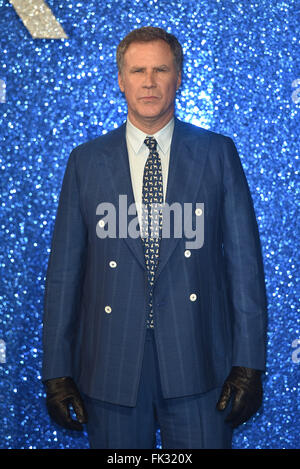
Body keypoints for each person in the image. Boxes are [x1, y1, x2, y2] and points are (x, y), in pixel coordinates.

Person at [42, 26, 268, 449]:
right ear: (121, 79)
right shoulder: (86, 162)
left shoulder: (218, 154)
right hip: (110, 366)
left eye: (161, 69)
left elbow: (245, 269)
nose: (149, 82)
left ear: (179, 77)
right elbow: (64, 276)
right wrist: (56, 370)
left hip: (200, 362)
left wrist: (249, 364)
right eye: (138, 70)